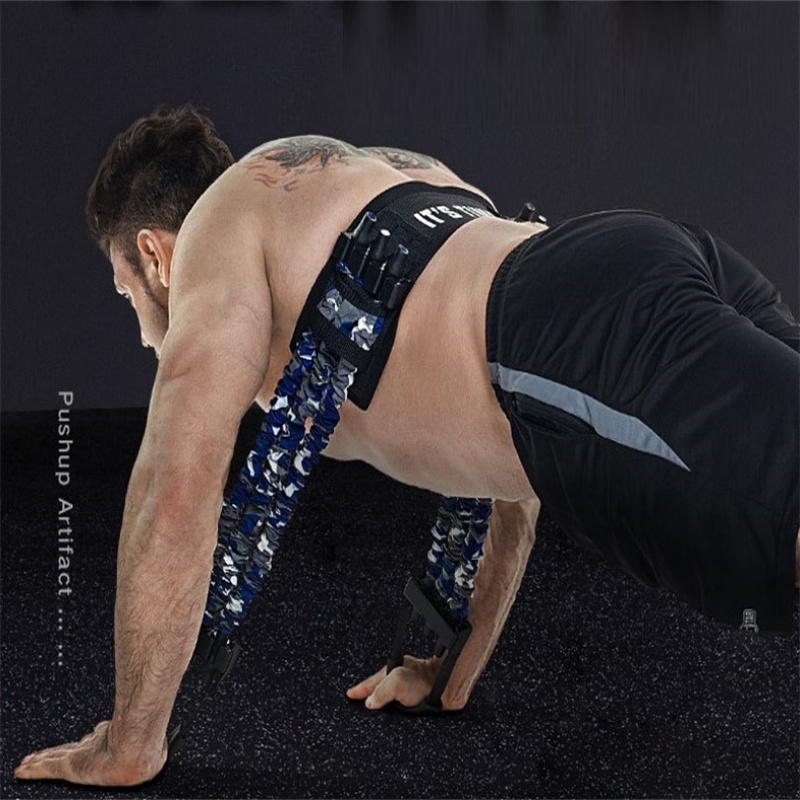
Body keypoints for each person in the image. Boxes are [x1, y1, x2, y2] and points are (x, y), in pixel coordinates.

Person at [14, 105, 799, 787]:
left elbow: (175, 491)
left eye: (125, 291)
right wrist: (448, 663)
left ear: (154, 253)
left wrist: (128, 742)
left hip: (583, 331)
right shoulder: (379, 176)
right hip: (640, 260)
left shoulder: (219, 233)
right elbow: (501, 464)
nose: (142, 329)